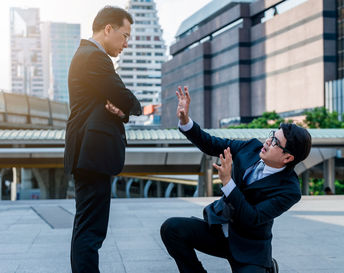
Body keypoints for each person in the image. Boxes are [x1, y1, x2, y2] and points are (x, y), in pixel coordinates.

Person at [160, 86, 312, 273]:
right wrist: (185, 121)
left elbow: (252, 218)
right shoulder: (250, 148)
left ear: (287, 158)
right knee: (171, 228)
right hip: (217, 230)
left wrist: (228, 183)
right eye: (272, 135)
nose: (267, 142)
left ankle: (268, 268)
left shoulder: (290, 190)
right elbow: (211, 144)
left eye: (275, 142)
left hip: (249, 245)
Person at [64, 6, 141, 273]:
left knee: (86, 228)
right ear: (108, 29)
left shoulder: (87, 56)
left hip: (89, 153)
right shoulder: (94, 58)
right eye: (125, 35)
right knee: (90, 232)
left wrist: (121, 110)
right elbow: (123, 96)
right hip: (92, 153)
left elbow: (115, 100)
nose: (126, 44)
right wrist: (131, 107)